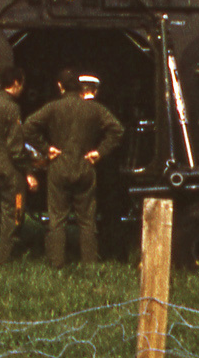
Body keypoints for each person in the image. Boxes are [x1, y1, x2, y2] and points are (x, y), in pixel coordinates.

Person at [22, 68, 124, 269]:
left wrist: (45, 148)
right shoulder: (95, 110)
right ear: (79, 87)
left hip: (58, 168)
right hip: (85, 167)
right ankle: (89, 264)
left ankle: (56, 263)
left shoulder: (53, 107)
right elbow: (117, 130)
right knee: (87, 221)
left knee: (57, 219)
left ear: (60, 87)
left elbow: (27, 126)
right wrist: (100, 152)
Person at [0, 66, 38, 263]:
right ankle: (5, 257)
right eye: (22, 83)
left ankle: (3, 252)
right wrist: (29, 172)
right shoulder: (12, 108)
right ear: (15, 83)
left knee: (4, 208)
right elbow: (15, 148)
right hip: (9, 168)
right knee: (15, 211)